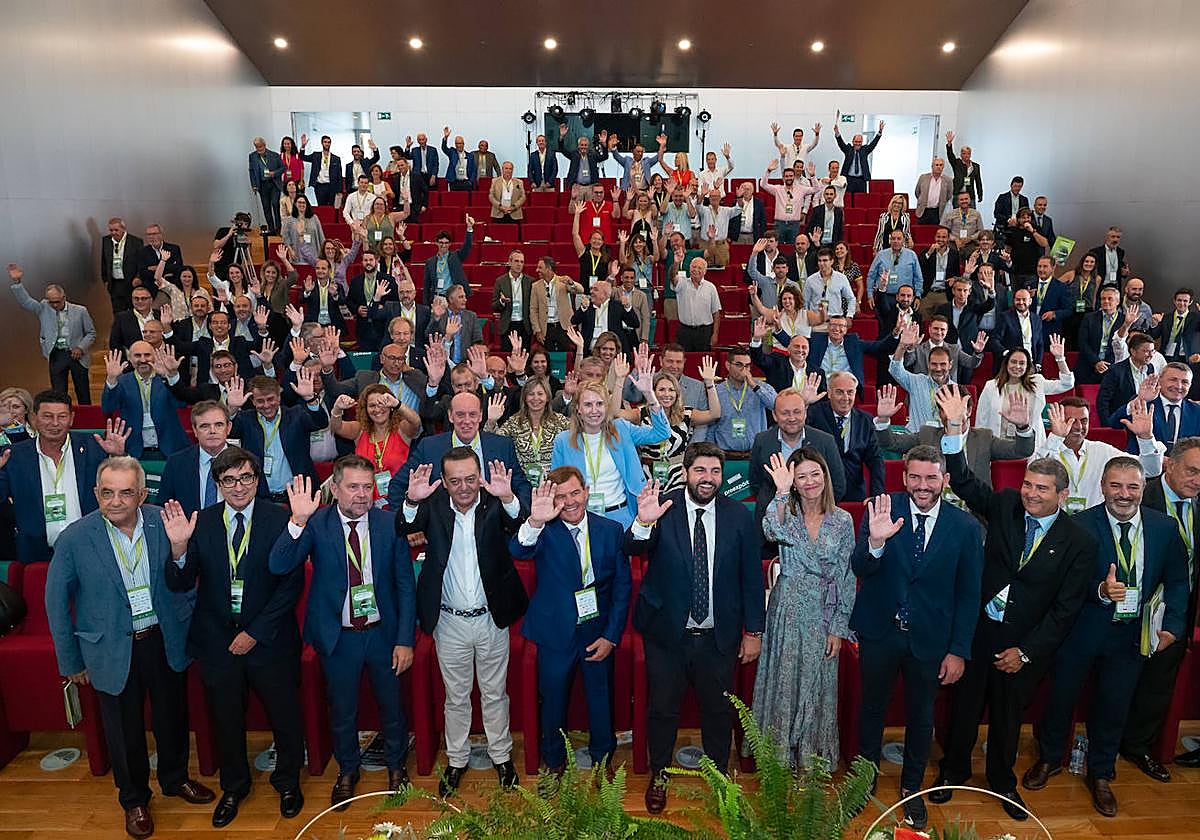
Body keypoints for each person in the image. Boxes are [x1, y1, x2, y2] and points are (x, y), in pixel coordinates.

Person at [930, 418, 1094, 822]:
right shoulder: (1005, 504)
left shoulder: (1080, 541)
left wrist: (1025, 652)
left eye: (1042, 488)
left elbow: (1066, 609)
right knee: (964, 709)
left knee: (1008, 717)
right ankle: (953, 771)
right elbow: (964, 483)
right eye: (1028, 485)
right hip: (980, 631)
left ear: (1062, 494)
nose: (1031, 494)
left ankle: (1002, 781)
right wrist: (954, 431)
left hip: (1024, 645)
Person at [46, 457, 215, 839]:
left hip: (163, 639)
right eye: (107, 493)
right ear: (96, 494)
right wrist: (70, 661)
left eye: (126, 493)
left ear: (142, 494)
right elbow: (56, 604)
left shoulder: (163, 522)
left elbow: (186, 578)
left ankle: (175, 779)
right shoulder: (75, 538)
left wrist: (180, 548)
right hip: (109, 648)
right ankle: (134, 799)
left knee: (172, 717)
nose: (116, 501)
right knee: (123, 732)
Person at [1021, 458, 1188, 818]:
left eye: (1132, 487)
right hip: (1080, 632)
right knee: (1061, 698)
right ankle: (1050, 759)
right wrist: (1099, 590)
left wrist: (1173, 626)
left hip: (1132, 636)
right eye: (1116, 485)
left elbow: (1177, 581)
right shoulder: (1078, 526)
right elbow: (1060, 585)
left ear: (1143, 488)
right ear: (1102, 487)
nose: (1124, 494)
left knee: (1114, 705)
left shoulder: (1164, 527)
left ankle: (1101, 773)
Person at [160, 447, 303, 827]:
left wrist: (255, 633)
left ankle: (288, 782)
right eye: (229, 480)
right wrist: (178, 549)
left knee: (285, 716)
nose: (238, 487)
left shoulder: (281, 519)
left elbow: (291, 585)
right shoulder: (201, 522)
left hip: (270, 640)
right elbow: (181, 582)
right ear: (218, 484)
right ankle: (234, 786)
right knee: (224, 720)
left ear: (257, 480)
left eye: (245, 478)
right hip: (218, 642)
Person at [270, 458, 417, 808]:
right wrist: (297, 521)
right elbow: (279, 564)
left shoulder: (388, 523)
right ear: (334, 489)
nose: (362, 495)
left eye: (368, 486)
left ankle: (396, 766)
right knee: (343, 710)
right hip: (339, 637)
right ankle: (348, 770)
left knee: (392, 707)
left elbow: (405, 585)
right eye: (353, 487)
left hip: (383, 635)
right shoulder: (316, 524)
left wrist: (405, 640)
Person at [628, 443, 765, 814]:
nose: (708, 478)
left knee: (718, 711)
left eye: (715, 472)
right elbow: (632, 548)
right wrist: (642, 522)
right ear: (686, 472)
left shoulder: (738, 515)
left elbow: (752, 578)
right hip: (667, 635)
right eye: (701, 470)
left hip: (718, 637)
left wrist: (754, 631)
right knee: (662, 709)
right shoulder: (663, 508)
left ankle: (719, 778)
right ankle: (659, 774)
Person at [851, 446, 983, 830]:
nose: (922, 485)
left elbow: (969, 594)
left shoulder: (966, 527)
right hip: (879, 632)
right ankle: (863, 781)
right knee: (871, 709)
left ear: (945, 479)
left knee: (922, 716)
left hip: (931, 640)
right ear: (904, 477)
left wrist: (958, 650)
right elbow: (860, 567)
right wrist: (876, 543)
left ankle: (911, 788)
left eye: (931, 478)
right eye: (915, 477)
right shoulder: (881, 508)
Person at [400, 450, 528, 795]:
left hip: (491, 618)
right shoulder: (432, 505)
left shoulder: (495, 502)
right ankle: (456, 759)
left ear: (480, 476)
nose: (464, 487)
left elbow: (522, 526)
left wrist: (509, 498)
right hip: (449, 620)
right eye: (455, 481)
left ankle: (502, 756)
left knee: (495, 693)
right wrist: (411, 500)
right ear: (443, 481)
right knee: (455, 697)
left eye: (471, 479)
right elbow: (404, 526)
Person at [512, 467, 631, 774]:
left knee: (600, 699)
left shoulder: (611, 530)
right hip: (555, 631)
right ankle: (553, 762)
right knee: (553, 700)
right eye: (561, 496)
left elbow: (622, 587)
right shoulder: (544, 530)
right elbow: (518, 550)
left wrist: (611, 635)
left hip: (597, 630)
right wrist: (535, 520)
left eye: (575, 493)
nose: (569, 502)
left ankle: (602, 759)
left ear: (587, 492)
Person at [753, 448, 855, 767]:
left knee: (818, 684)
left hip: (824, 612)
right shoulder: (785, 511)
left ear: (826, 476)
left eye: (815, 474)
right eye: (801, 477)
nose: (810, 482)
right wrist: (781, 492)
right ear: (793, 482)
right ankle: (778, 759)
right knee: (784, 683)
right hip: (787, 609)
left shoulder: (842, 520)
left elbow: (847, 576)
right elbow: (771, 530)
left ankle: (812, 760)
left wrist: (838, 628)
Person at [1123, 438, 1200, 779]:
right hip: (1132, 607)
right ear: (1169, 464)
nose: (1198, 480)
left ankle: (1137, 746)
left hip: (1178, 611)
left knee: (1159, 684)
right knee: (1120, 681)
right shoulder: (1140, 496)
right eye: (1192, 471)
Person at [0, 390, 129, 563]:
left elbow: (125, 489)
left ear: (71, 418)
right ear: (34, 418)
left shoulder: (94, 447)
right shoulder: (14, 455)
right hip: (36, 554)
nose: (55, 423)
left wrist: (118, 457)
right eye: (47, 416)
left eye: (61, 416)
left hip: (90, 550)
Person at [550, 369, 670, 528]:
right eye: (588, 405)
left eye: (599, 404)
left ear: (606, 406)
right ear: (578, 408)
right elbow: (557, 485)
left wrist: (649, 394)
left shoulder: (621, 429)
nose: (594, 410)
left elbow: (662, 433)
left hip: (621, 516)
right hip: (580, 518)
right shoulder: (563, 441)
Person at [389, 391, 530, 509]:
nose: (467, 421)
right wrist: (408, 522)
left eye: (472, 414)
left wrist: (515, 513)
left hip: (493, 525)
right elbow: (397, 485)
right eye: (460, 415)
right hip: (443, 527)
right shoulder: (429, 447)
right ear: (450, 416)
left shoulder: (502, 446)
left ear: (481, 416)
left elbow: (522, 486)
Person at [749, 387, 847, 548]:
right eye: (785, 413)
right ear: (774, 415)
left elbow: (837, 485)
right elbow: (756, 482)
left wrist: (814, 513)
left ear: (805, 413)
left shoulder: (825, 441)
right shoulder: (762, 440)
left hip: (817, 525)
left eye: (797, 412)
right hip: (772, 527)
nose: (792, 418)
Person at [1032, 398, 1164, 512]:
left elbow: (1150, 470)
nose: (1079, 427)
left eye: (1084, 421)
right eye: (1071, 421)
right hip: (1056, 522)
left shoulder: (1102, 451)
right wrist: (1056, 437)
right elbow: (1033, 471)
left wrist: (1146, 438)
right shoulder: (1049, 449)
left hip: (1095, 523)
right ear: (1058, 420)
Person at [617, 359, 722, 493]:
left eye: (671, 390)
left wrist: (709, 384)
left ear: (677, 393)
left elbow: (715, 414)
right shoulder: (642, 413)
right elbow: (615, 413)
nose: (667, 394)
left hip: (678, 476)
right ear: (653, 392)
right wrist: (619, 380)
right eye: (661, 389)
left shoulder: (686, 414)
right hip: (646, 475)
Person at [229, 371, 328, 502]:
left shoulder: (296, 415)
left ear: (279, 397)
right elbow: (227, 431)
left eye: (270, 399)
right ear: (252, 401)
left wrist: (310, 398)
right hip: (260, 496)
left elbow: (320, 422)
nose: (266, 405)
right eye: (260, 401)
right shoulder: (245, 419)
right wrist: (232, 409)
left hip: (297, 494)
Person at [8, 263, 96, 405]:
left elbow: (91, 333)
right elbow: (26, 302)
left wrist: (81, 348)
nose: (54, 305)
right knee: (58, 394)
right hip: (56, 355)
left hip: (77, 355)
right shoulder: (43, 307)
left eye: (57, 302)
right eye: (51, 302)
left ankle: (86, 417)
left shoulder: (80, 311)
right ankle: (61, 416)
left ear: (64, 297)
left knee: (83, 392)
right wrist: (17, 282)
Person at [155, 400, 250, 517]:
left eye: (219, 425)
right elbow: (163, 506)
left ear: (229, 428)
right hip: (190, 527)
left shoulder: (247, 461)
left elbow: (261, 502)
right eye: (205, 426)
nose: (212, 431)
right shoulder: (176, 463)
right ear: (195, 430)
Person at [330, 385, 420, 503]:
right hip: (365, 499)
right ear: (366, 410)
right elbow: (337, 427)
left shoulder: (401, 429)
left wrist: (397, 404)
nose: (377, 409)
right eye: (372, 406)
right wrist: (337, 408)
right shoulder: (360, 430)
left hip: (398, 498)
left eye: (381, 404)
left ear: (390, 407)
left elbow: (416, 422)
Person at [976, 339, 1074, 446]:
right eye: (1013, 362)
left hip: (1031, 445)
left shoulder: (1037, 382)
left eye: (1022, 363)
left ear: (1027, 366)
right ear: (1006, 363)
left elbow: (1066, 384)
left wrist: (1060, 358)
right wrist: (981, 447)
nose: (1017, 366)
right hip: (999, 445)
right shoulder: (991, 386)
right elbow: (981, 420)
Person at [808, 371, 886, 502]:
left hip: (854, 494)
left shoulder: (865, 420)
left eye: (850, 392)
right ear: (829, 393)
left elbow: (875, 460)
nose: (845, 398)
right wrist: (804, 404)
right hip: (820, 493)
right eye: (839, 392)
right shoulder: (813, 414)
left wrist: (877, 496)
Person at [100, 343, 188, 459]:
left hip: (169, 449)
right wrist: (111, 379)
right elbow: (108, 408)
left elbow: (181, 404)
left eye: (147, 355)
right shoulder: (122, 382)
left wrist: (170, 377)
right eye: (137, 355)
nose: (143, 360)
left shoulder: (166, 379)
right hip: (134, 451)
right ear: (130, 358)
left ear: (154, 356)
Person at [485, 376, 569, 487]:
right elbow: (494, 443)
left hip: (555, 485)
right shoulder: (514, 422)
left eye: (540, 394)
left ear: (548, 397)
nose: (535, 398)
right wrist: (491, 421)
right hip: (523, 487)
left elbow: (579, 434)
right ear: (524, 397)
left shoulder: (560, 421)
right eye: (531, 394)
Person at [712, 346, 779, 453]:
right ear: (728, 365)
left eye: (747, 366)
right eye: (739, 365)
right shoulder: (717, 391)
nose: (744, 369)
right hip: (725, 453)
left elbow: (776, 406)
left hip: (755, 452)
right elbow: (710, 424)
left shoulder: (760, 387)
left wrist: (754, 386)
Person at [568, 280, 640, 356]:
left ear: (605, 294)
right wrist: (582, 308)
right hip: (590, 352)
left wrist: (628, 307)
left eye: (595, 289)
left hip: (613, 352)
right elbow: (574, 321)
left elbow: (635, 324)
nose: (591, 292)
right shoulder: (587, 306)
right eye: (591, 289)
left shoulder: (617, 306)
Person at [529, 256, 584, 352]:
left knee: (565, 355)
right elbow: (533, 310)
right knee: (547, 355)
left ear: (549, 269)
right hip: (546, 328)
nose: (537, 270)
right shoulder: (535, 286)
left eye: (540, 268)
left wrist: (571, 283)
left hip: (563, 326)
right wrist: (537, 330)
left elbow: (580, 290)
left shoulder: (563, 281)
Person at [867, 229, 923, 320]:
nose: (895, 241)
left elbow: (918, 278)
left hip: (905, 298)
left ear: (903, 240)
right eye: (893, 239)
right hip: (885, 296)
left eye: (898, 238)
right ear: (890, 240)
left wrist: (917, 296)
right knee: (885, 324)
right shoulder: (881, 255)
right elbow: (871, 276)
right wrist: (870, 295)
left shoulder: (912, 255)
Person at [760, 159, 817, 245]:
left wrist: (812, 176)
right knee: (778, 247)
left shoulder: (801, 189)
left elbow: (816, 189)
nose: (789, 178)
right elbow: (763, 184)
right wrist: (768, 171)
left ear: (794, 177)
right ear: (783, 178)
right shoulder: (777, 189)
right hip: (780, 224)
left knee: (794, 248)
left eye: (791, 176)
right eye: (786, 176)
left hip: (794, 224)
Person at [672, 256, 722, 352]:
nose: (696, 270)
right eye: (694, 267)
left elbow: (716, 313)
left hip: (704, 332)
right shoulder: (682, 283)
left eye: (700, 268)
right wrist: (676, 263)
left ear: (705, 271)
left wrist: (715, 334)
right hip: (685, 331)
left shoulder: (711, 287)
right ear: (689, 268)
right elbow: (672, 277)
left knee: (702, 358)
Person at [1076, 286, 1123, 385]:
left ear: (1118, 301)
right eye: (1103, 299)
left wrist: (1106, 365)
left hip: (1112, 367)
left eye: (1110, 299)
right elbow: (1082, 343)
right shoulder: (1089, 318)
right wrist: (1096, 362)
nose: (1106, 301)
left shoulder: (1124, 321)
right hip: (1088, 365)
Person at [421, 221, 476, 305]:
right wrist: (426, 303)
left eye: (446, 243)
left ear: (450, 244)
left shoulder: (456, 257)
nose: (444, 245)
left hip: (453, 298)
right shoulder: (430, 262)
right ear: (436, 243)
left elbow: (467, 246)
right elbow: (426, 285)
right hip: (437, 297)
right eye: (441, 242)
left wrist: (469, 229)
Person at [492, 249, 534, 349]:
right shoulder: (500, 281)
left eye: (522, 262)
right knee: (507, 355)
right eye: (516, 261)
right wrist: (501, 301)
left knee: (524, 355)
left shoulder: (530, 281)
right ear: (510, 262)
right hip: (507, 325)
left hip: (524, 326)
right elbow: (494, 305)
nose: (519, 264)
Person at [101, 217, 144, 314]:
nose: (113, 233)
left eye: (116, 230)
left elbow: (141, 262)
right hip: (115, 284)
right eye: (111, 230)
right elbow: (104, 261)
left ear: (123, 229)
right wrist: (105, 280)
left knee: (134, 311)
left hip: (131, 282)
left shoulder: (135, 241)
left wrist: (138, 277)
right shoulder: (106, 240)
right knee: (118, 313)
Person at [804, 246, 857, 321]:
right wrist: (807, 318)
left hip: (836, 319)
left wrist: (849, 316)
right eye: (819, 261)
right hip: (816, 320)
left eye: (825, 260)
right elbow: (805, 302)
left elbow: (851, 298)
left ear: (832, 261)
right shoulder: (810, 280)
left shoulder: (841, 278)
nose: (822, 263)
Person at [834, 118, 884, 194]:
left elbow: (873, 144)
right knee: (848, 198)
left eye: (860, 142)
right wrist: (837, 133)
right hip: (849, 179)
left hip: (861, 180)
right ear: (853, 142)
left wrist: (879, 132)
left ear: (862, 142)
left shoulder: (865, 150)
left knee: (861, 198)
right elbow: (841, 143)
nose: (858, 143)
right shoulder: (848, 149)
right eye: (856, 141)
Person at [1150, 287, 1200, 363]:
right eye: (1179, 300)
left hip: (1186, 357)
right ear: (1174, 301)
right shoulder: (1166, 317)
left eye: (1185, 301)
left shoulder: (1196, 318)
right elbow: (1154, 335)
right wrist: (1154, 324)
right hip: (1166, 356)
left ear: (1190, 302)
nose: (1182, 303)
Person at [248, 137, 285, 234]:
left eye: (260, 147)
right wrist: (254, 185)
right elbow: (251, 171)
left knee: (275, 204)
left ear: (264, 145)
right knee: (266, 207)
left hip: (274, 184)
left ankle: (279, 228)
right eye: (257, 147)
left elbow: (283, 168)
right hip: (262, 185)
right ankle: (271, 229)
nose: (259, 149)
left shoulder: (275, 155)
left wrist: (274, 173)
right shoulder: (252, 156)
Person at [557, 123, 609, 188]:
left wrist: (604, 144)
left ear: (588, 146)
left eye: (585, 145)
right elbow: (562, 149)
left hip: (591, 186)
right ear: (578, 146)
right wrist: (561, 137)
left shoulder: (592, 155)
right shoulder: (574, 155)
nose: (583, 147)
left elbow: (605, 157)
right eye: (581, 145)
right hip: (576, 187)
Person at [299, 133, 343, 206]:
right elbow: (302, 157)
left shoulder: (336, 159)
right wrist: (303, 146)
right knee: (321, 206)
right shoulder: (316, 155)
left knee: (331, 207)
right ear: (322, 143)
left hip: (331, 186)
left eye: (328, 142)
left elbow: (339, 175)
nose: (327, 144)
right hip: (319, 186)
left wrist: (340, 190)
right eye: (325, 142)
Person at [944, 131, 983, 205]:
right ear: (961, 154)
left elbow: (978, 181)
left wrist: (980, 194)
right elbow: (950, 155)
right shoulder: (957, 163)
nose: (966, 155)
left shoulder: (975, 166)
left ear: (970, 155)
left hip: (970, 195)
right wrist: (949, 144)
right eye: (964, 153)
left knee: (971, 212)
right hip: (958, 194)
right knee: (957, 212)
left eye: (968, 153)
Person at [914, 158, 954, 225]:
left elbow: (949, 195)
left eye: (941, 165)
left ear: (943, 167)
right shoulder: (923, 177)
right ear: (932, 166)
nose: (939, 167)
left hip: (937, 211)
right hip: (923, 210)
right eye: (936, 165)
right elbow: (917, 192)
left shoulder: (948, 180)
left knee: (935, 230)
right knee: (921, 229)